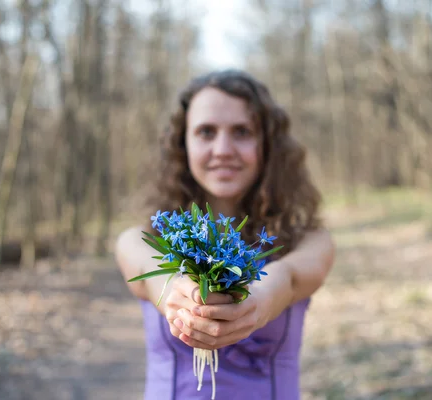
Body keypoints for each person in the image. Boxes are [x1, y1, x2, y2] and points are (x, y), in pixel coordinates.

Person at [115, 69, 335, 400]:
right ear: (182, 143)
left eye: (242, 132)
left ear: (267, 145)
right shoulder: (140, 239)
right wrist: (180, 296)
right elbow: (150, 277)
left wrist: (256, 302)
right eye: (206, 132)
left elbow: (287, 278)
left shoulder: (308, 241)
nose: (223, 149)